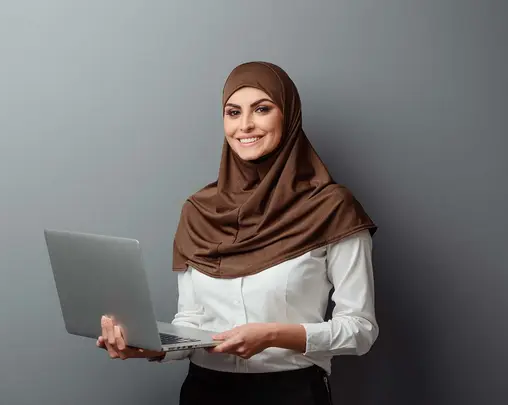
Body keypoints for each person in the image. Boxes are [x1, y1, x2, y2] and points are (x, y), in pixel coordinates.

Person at [97, 61, 378, 405]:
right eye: (233, 112)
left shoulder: (332, 207)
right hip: (205, 392)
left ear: (288, 116)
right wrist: (150, 348)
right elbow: (191, 321)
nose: (245, 125)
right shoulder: (198, 210)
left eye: (262, 109)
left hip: (292, 393)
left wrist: (274, 334)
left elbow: (360, 330)